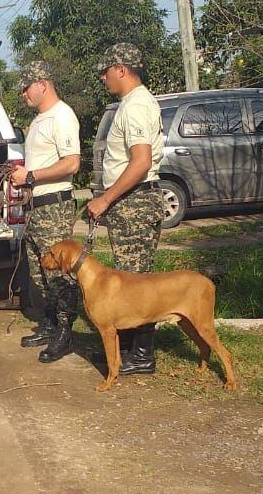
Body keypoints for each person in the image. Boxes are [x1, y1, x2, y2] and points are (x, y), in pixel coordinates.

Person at [87, 43, 164, 375]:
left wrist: (105, 198)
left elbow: (141, 162)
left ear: (120, 68)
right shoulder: (134, 102)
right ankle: (132, 348)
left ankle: (141, 354)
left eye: (105, 72)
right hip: (132, 201)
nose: (104, 78)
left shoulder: (134, 106)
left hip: (134, 202)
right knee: (133, 276)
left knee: (135, 281)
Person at [9, 61, 81, 363]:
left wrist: (30, 176)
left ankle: (65, 334)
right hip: (38, 207)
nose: (23, 94)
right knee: (40, 274)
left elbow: (71, 163)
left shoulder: (62, 116)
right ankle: (49, 325)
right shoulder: (40, 119)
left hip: (55, 206)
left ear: (42, 84)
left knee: (60, 276)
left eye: (26, 88)